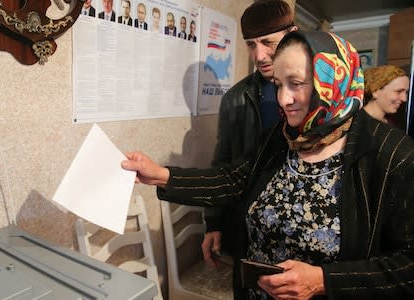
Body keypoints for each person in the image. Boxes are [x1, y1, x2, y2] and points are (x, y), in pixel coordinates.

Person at [122, 30, 414, 299]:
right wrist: (160, 175)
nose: (284, 99)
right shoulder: (285, 135)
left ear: (333, 80)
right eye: (278, 84)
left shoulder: (393, 154)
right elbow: (236, 179)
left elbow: (407, 266)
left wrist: (323, 280)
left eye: (297, 84)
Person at [202, 1, 297, 299]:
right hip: (248, 229)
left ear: (293, 35)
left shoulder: (317, 91)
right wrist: (213, 223)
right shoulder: (236, 98)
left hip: (301, 230)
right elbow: (223, 163)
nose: (259, 55)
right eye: (251, 45)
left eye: (269, 42)